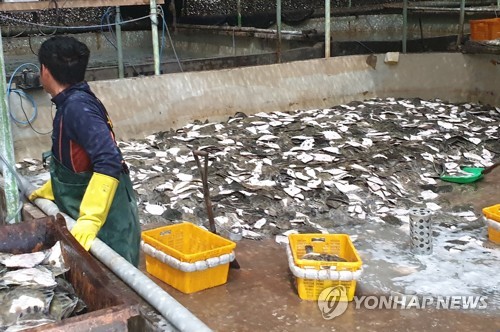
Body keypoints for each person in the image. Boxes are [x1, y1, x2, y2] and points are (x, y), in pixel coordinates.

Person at [29, 36, 141, 267]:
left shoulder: (78, 108)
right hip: (84, 204)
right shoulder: (69, 102)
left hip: (109, 222)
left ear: (45, 71)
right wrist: (56, 185)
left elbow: (109, 160)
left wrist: (91, 219)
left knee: (117, 278)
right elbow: (78, 156)